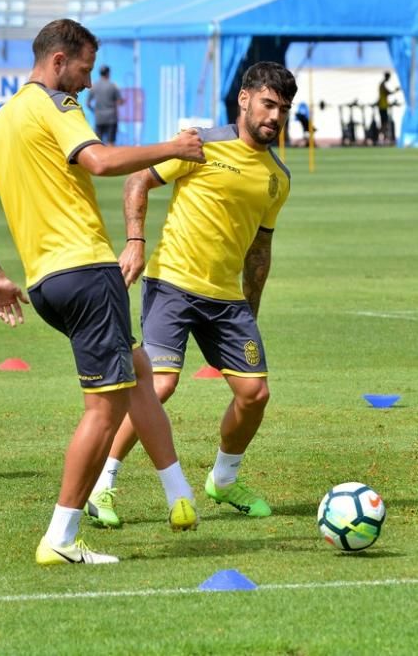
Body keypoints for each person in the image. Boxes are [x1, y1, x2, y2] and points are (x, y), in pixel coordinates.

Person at [0, 18, 206, 566]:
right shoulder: (54, 105)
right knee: (104, 408)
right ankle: (60, 537)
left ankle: (179, 494)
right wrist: (176, 148)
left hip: (46, 284)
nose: (88, 84)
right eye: (85, 70)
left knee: (138, 371)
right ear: (59, 61)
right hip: (88, 271)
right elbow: (100, 161)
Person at [86, 61, 298, 528]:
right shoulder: (199, 144)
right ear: (244, 99)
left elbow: (260, 248)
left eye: (283, 109)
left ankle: (223, 480)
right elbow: (137, 179)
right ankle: (103, 484)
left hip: (227, 300)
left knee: (254, 393)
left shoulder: (277, 178)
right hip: (173, 284)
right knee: (158, 385)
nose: (275, 117)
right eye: (268, 104)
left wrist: (251, 306)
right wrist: (136, 242)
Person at [87, 64, 124, 145]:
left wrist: (95, 111)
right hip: (111, 118)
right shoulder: (113, 86)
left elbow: (88, 103)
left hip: (99, 118)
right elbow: (120, 102)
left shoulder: (94, 86)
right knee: (111, 142)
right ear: (108, 73)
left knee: (98, 143)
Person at [378, 71, 399, 143]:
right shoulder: (382, 85)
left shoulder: (382, 84)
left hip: (384, 106)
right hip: (382, 107)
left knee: (385, 123)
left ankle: (383, 138)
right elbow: (388, 93)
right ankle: (379, 137)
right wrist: (396, 90)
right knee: (384, 123)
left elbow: (384, 96)